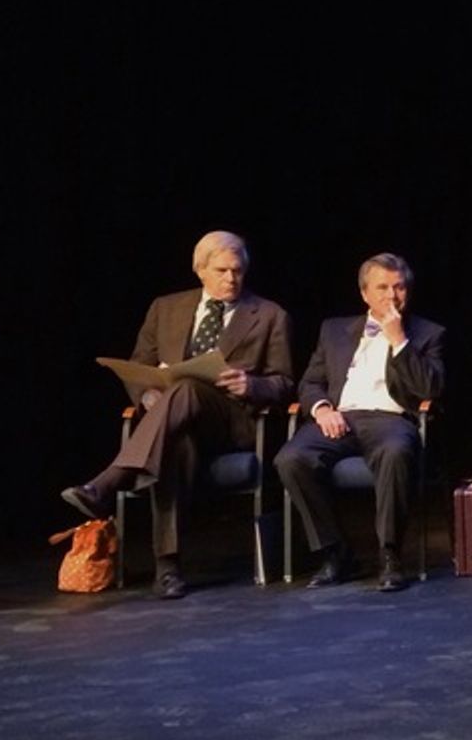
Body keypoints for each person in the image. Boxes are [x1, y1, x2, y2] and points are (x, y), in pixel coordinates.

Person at [62, 230, 294, 599]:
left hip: (233, 419)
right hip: (175, 420)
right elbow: (140, 365)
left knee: (184, 389)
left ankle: (110, 480)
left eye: (237, 271)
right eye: (221, 270)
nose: (230, 279)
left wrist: (251, 385)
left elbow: (284, 383)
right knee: (176, 442)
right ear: (199, 270)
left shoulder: (269, 315)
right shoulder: (165, 308)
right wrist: (149, 396)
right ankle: (168, 570)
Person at [274, 254, 445, 593]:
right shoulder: (334, 330)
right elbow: (310, 383)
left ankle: (390, 555)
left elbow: (430, 389)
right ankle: (335, 553)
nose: (392, 296)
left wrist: (399, 341)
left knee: (396, 452)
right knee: (290, 459)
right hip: (340, 417)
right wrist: (323, 409)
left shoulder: (428, 333)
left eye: (399, 287)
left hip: (391, 419)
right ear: (365, 294)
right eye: (382, 288)